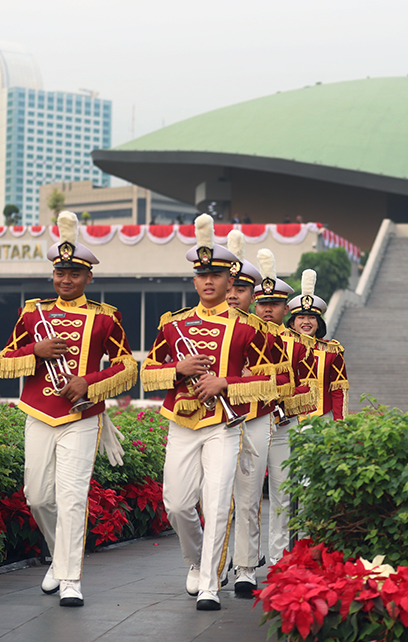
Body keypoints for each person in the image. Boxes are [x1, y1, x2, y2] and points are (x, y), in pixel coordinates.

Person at [141, 214, 279, 611]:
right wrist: (176, 370)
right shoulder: (174, 324)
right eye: (201, 275)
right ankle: (197, 561)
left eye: (216, 276)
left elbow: (272, 380)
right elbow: (147, 370)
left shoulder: (249, 328)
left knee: (218, 502)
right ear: (195, 280)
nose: (208, 282)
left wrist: (226, 383)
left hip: (225, 424)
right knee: (178, 504)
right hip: (182, 421)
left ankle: (209, 584)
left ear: (228, 280)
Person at [0, 210, 136, 607]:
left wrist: (88, 383)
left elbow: (128, 365)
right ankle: (60, 558)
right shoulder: (31, 313)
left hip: (83, 415)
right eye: (60, 272)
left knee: (73, 496)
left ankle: (71, 578)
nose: (66, 280)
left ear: (88, 277)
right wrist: (34, 350)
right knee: (37, 496)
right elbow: (6, 360)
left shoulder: (106, 318)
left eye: (74, 274)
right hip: (39, 411)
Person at [224, 233, 289, 595]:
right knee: (209, 498)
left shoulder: (266, 332)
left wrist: (257, 377)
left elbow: (285, 375)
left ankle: (245, 567)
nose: (232, 294)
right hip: (208, 419)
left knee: (248, 496)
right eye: (227, 286)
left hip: (254, 415)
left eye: (239, 288)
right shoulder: (195, 325)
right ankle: (208, 563)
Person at [253, 249, 317, 565]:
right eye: (262, 303)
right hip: (245, 426)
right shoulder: (242, 333)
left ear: (283, 308)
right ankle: (244, 562)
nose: (267, 309)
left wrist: (284, 405)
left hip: (281, 427)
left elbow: (307, 387)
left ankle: (278, 559)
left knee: (282, 495)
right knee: (243, 498)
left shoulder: (299, 344)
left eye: (273, 304)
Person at [287, 269, 349, 421]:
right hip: (286, 418)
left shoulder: (331, 351)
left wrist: (340, 422)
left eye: (312, 318)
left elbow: (338, 390)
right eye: (301, 317)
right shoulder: (281, 345)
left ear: (319, 323)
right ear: (292, 324)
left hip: (321, 418)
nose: (306, 322)